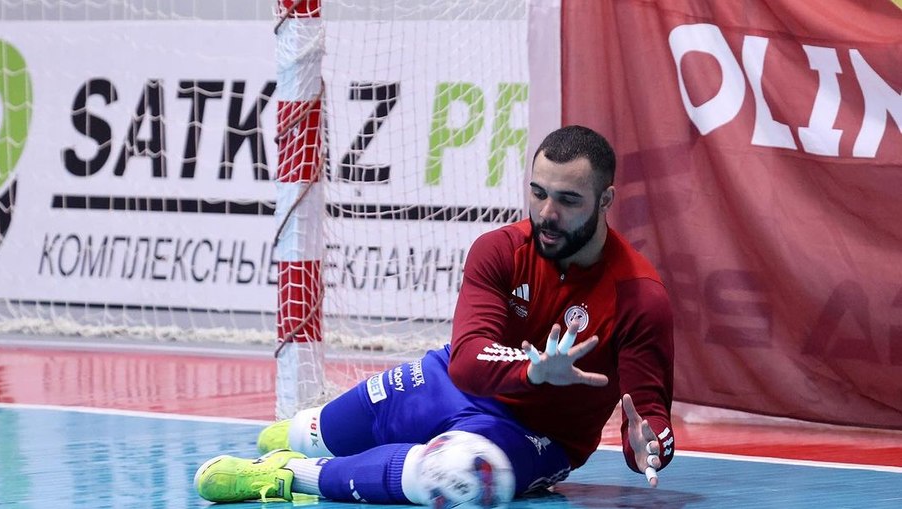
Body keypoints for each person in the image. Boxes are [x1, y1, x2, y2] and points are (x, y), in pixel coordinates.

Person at [194, 125, 675, 504]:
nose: (546, 212)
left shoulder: (640, 297)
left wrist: (647, 446)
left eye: (568, 200)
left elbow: (648, 419)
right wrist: (532, 370)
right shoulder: (499, 250)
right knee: (308, 432)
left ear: (606, 201)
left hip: (536, 435)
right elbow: (466, 360)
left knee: (456, 479)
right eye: (538, 193)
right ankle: (305, 440)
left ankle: (288, 475)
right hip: (452, 383)